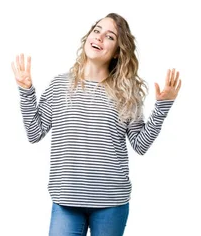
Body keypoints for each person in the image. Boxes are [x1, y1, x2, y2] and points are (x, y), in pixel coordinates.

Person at [11, 13, 182, 236]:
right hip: (66, 200)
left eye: (110, 36)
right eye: (97, 30)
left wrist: (163, 107)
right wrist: (26, 92)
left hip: (111, 202)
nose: (100, 37)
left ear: (118, 51)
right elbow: (34, 133)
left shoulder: (126, 93)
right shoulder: (59, 85)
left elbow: (140, 145)